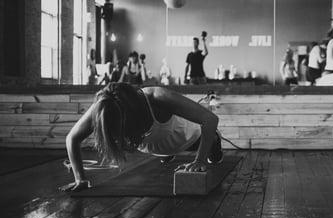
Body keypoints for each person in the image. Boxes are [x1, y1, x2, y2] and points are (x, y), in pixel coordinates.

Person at [59, 82, 223, 192]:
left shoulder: (158, 97)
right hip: (156, 145)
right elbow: (72, 138)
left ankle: (214, 144)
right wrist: (80, 179)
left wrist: (199, 161)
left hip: (188, 138)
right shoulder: (104, 108)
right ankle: (166, 155)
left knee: (211, 145)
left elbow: (210, 119)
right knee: (161, 151)